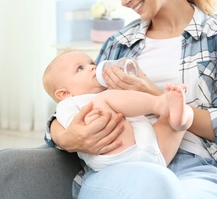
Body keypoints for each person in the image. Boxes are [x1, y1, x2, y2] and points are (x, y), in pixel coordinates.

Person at [45, 0, 217, 198]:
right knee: (146, 185)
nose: (124, 0)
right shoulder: (119, 44)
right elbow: (76, 101)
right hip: (120, 167)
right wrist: (65, 137)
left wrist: (159, 98)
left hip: (198, 165)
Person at [43, 50, 193, 171]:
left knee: (185, 112)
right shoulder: (68, 104)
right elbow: (74, 129)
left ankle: (179, 121)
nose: (92, 67)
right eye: (80, 68)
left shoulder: (112, 92)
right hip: (116, 154)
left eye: (92, 63)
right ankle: (158, 103)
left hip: (156, 152)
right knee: (103, 99)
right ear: (64, 93)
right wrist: (87, 122)